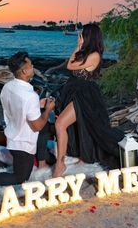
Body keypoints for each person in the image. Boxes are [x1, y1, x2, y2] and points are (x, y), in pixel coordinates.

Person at [0, 51, 55, 185]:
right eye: (31, 65)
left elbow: (18, 107)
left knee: (19, 165)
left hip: (12, 136)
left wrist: (37, 105)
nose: (33, 67)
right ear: (24, 71)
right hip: (23, 144)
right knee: (20, 178)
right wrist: (47, 110)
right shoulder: (30, 95)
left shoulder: (7, 87)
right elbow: (37, 126)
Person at [53, 24, 123, 177]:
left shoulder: (94, 55)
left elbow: (70, 66)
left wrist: (77, 47)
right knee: (80, 127)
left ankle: (60, 163)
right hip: (75, 93)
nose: (81, 37)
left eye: (82, 35)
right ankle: (84, 157)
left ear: (88, 36)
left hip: (85, 95)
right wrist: (78, 48)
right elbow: (70, 64)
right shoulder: (87, 53)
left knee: (60, 124)